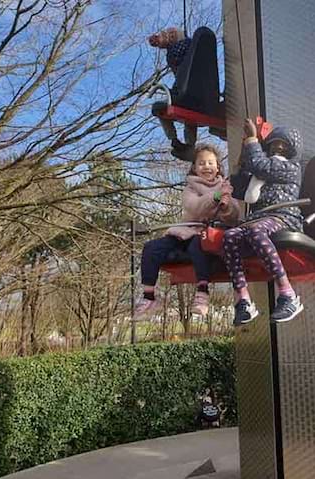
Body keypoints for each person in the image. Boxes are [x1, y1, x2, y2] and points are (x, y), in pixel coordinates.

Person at [135, 144, 240, 317]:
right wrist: (214, 197)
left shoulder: (226, 188)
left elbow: (233, 216)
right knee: (151, 248)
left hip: (207, 235)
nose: (206, 167)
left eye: (210, 163)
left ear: (218, 167)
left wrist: (226, 205)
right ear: (194, 168)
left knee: (197, 245)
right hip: (187, 230)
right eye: (201, 163)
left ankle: (202, 292)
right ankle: (149, 295)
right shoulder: (190, 189)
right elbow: (195, 208)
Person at [223, 118, 304, 326]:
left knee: (255, 231)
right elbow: (240, 188)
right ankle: (243, 300)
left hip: (283, 216)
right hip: (259, 218)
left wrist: (252, 139)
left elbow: (260, 165)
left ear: (292, 150)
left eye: (283, 145)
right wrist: (244, 152)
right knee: (230, 236)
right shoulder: (262, 172)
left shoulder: (291, 168)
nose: (277, 147)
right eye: (274, 143)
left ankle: (287, 294)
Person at [148, 27, 196, 161]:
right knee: (191, 115)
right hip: (200, 99)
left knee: (159, 108)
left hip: (186, 96)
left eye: (171, 35)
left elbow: (174, 55)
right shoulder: (195, 51)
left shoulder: (177, 51)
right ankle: (190, 145)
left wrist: (162, 41)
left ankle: (174, 139)